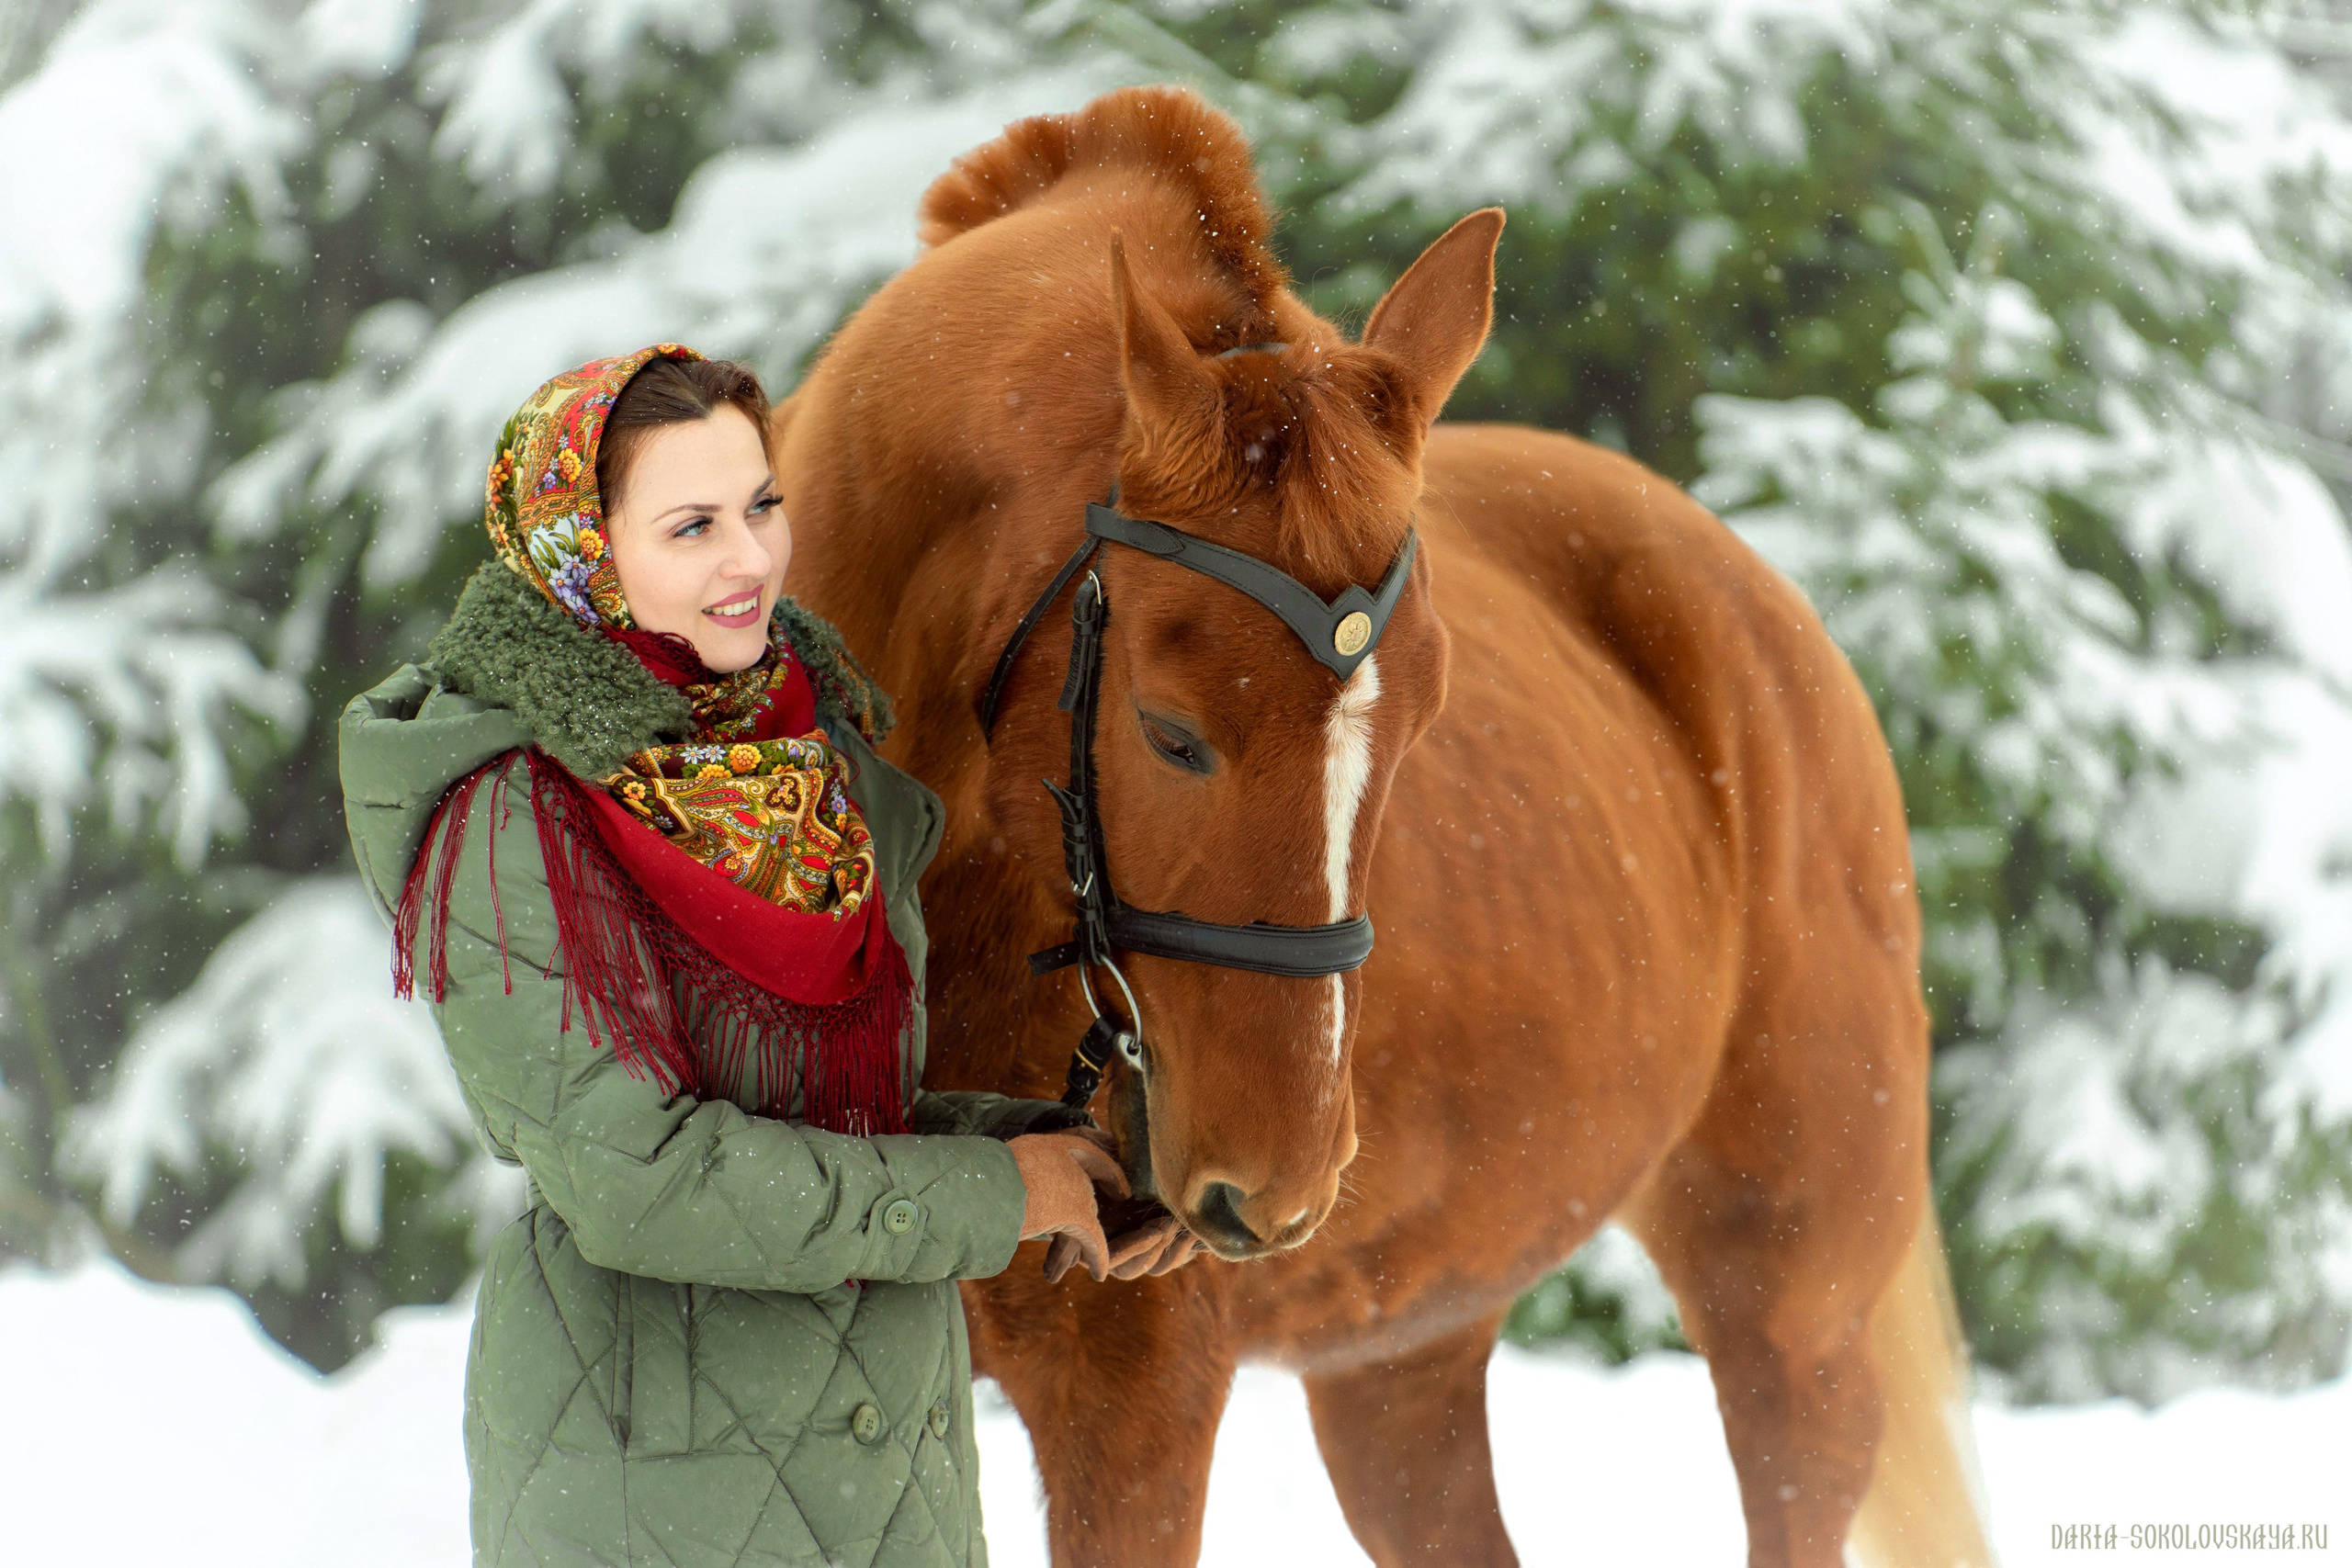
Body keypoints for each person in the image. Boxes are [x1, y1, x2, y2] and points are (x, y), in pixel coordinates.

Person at [340, 344, 1192, 1566]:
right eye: (691, 527)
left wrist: (1054, 1156)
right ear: (585, 552)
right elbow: (641, 1180)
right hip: (649, 1488)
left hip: (891, 1481)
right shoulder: (513, 814)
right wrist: (999, 1197)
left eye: (761, 506)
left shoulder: (816, 771)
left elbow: (838, 1120)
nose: (749, 560)